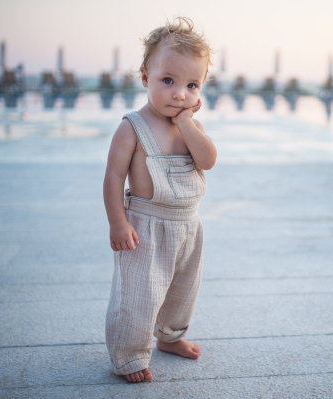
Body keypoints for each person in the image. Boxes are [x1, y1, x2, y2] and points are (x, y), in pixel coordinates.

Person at [103, 17, 216, 383]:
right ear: (144, 77)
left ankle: (170, 337)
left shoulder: (190, 126)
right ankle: (129, 356)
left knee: (182, 290)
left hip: (188, 225)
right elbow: (114, 176)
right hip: (146, 225)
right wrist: (118, 222)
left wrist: (187, 125)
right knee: (138, 296)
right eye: (168, 80)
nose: (179, 93)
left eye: (191, 84)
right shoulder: (132, 127)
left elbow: (208, 161)